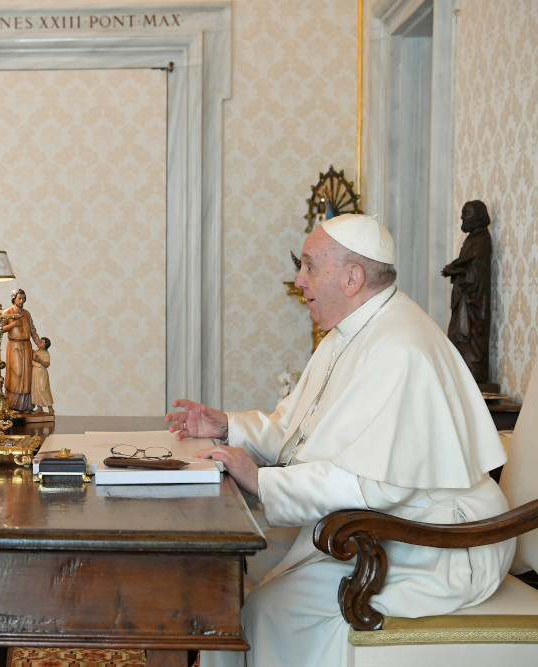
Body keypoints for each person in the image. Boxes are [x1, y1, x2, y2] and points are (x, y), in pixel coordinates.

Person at [165, 214, 512, 667]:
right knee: (223, 570)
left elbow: (378, 487)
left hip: (441, 542)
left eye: (310, 266)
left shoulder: (400, 349)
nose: (298, 280)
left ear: (352, 277)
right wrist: (227, 425)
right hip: (387, 526)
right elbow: (299, 430)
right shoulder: (348, 332)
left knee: (271, 609)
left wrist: (262, 481)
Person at [442, 200, 492, 383]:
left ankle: (472, 378)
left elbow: (476, 274)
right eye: (463, 212)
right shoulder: (472, 239)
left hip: (472, 303)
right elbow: (466, 263)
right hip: (462, 301)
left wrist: (455, 270)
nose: (462, 217)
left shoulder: (482, 240)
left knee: (468, 340)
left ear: (479, 216)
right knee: (457, 339)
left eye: (467, 213)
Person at [2, 288, 44, 412]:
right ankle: (12, 403)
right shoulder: (8, 312)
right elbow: (1, 328)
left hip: (26, 345)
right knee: (18, 372)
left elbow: (32, 330)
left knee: (27, 374)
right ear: (13, 298)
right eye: (19, 298)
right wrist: (13, 324)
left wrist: (39, 343)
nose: (21, 300)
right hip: (14, 346)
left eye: (23, 298)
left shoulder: (26, 313)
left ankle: (25, 405)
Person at [30, 336, 54, 418]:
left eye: (41, 342)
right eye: (39, 341)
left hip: (41, 372)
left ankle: (50, 407)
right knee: (35, 390)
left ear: (45, 346)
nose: (39, 342)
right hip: (35, 372)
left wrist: (39, 360)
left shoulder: (46, 354)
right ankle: (39, 408)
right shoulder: (36, 351)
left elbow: (47, 364)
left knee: (43, 389)